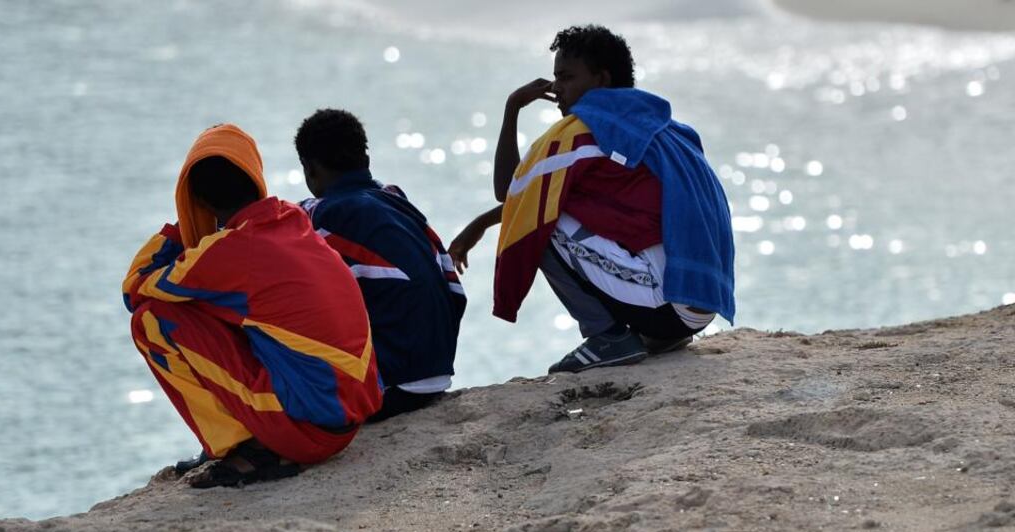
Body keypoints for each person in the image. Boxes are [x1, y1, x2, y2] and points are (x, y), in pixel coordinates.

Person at [449, 24, 735, 374]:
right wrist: (482, 222)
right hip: (702, 299)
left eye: (567, 78)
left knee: (541, 219)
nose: (556, 89)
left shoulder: (585, 128)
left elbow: (513, 191)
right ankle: (657, 336)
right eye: (555, 78)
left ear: (600, 80)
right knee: (551, 202)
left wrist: (512, 108)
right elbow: (542, 191)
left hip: (671, 305)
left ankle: (607, 337)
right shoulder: (655, 125)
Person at [123, 124, 382, 488]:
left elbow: (135, 288)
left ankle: (246, 449)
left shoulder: (229, 250)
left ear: (198, 197)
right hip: (347, 418)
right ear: (255, 176)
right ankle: (253, 437)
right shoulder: (292, 220)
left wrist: (183, 225)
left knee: (151, 320)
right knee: (222, 312)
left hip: (308, 433)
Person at [295, 109, 466, 421]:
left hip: (393, 385)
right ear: (366, 159)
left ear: (310, 170)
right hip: (436, 371)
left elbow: (286, 224)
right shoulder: (396, 198)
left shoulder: (323, 217)